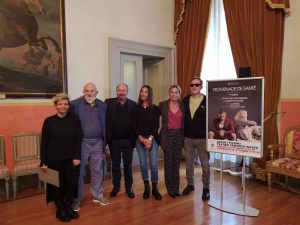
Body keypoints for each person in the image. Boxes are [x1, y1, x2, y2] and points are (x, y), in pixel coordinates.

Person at [40, 93, 82, 222]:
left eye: (65, 104)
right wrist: (43, 162)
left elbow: (77, 139)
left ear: (69, 106)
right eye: (60, 104)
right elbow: (44, 143)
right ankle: (60, 208)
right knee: (56, 185)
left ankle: (67, 205)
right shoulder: (48, 121)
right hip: (53, 159)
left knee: (71, 184)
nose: (63, 106)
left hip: (71, 159)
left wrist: (77, 156)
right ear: (55, 106)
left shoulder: (74, 119)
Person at [70, 82, 109, 211]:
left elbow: (106, 124)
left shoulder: (103, 105)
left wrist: (106, 144)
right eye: (86, 91)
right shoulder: (75, 104)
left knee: (97, 170)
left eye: (92, 91)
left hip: (97, 142)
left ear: (96, 93)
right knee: (78, 171)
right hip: (82, 143)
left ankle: (97, 195)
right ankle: (76, 198)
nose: (89, 93)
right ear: (83, 92)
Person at [105, 83, 137, 199]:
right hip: (114, 141)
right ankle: (116, 186)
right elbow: (106, 123)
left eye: (123, 90)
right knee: (115, 165)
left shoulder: (133, 105)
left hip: (128, 140)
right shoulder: (108, 103)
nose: (121, 92)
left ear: (127, 91)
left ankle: (129, 187)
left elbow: (136, 124)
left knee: (128, 165)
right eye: (119, 90)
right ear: (116, 91)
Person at [182, 77, 210, 201]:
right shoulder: (185, 100)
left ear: (201, 87)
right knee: (188, 164)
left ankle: (206, 188)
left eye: (196, 85)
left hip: (202, 139)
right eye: (192, 84)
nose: (194, 87)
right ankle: (190, 184)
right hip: (188, 138)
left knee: (205, 165)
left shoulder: (207, 101)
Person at [132, 85, 162, 201]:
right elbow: (134, 126)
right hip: (139, 139)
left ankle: (155, 188)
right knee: (143, 164)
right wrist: (141, 138)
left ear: (149, 94)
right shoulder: (135, 109)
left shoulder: (155, 109)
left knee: (154, 164)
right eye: (141, 91)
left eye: (145, 92)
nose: (143, 94)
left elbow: (156, 126)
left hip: (152, 139)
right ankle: (147, 188)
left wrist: (149, 139)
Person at [159, 84, 184, 198]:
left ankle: (176, 188)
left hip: (179, 135)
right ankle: (170, 189)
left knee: (176, 164)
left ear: (179, 94)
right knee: (168, 164)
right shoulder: (163, 105)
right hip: (167, 135)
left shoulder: (183, 105)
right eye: (172, 92)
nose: (174, 94)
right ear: (169, 93)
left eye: (176, 92)